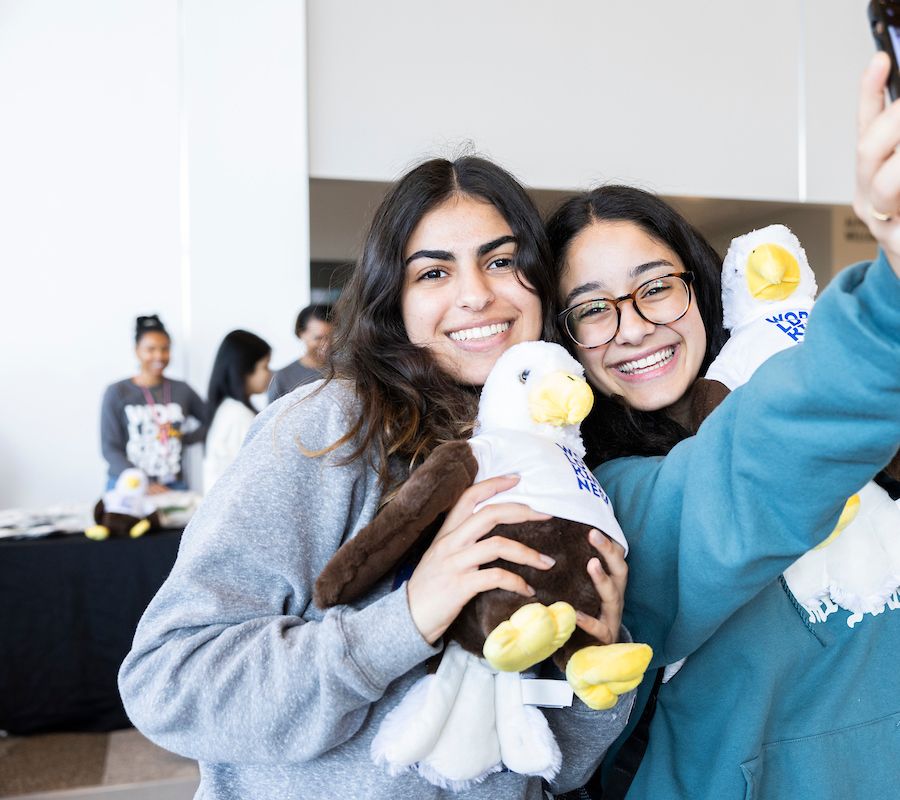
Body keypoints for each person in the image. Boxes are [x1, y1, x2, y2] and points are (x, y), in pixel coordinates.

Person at [543, 54, 900, 800]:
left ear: (702, 291)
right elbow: (756, 463)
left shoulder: (830, 438)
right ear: (566, 338)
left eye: (655, 289)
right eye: (592, 308)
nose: (634, 327)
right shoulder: (612, 503)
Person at [118, 156, 634, 799]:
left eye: (501, 261)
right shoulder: (328, 428)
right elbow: (168, 682)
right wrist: (404, 619)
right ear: (395, 297)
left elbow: (548, 773)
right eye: (435, 271)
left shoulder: (559, 459)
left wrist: (592, 676)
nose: (476, 294)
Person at [100, 315, 207, 493]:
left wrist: (184, 438)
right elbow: (110, 448)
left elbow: (210, 418)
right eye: (150, 349)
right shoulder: (117, 392)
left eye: (165, 349)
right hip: (130, 485)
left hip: (172, 486)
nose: (159, 356)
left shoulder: (182, 390)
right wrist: (144, 482)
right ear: (137, 351)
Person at [202, 329, 273, 494]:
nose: (269, 373)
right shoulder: (240, 417)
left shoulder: (227, 408)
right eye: (265, 366)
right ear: (244, 370)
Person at [267, 303, 333, 404]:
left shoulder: (347, 373)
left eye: (331, 338)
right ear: (301, 334)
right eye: (318, 338)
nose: (326, 345)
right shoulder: (283, 377)